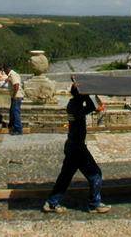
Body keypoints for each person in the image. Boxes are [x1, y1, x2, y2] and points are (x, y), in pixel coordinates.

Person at [43, 79, 111, 214]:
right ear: (81, 95)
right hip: (77, 148)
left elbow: (90, 108)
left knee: (65, 177)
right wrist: (87, 95)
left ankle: (51, 203)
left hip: (72, 145)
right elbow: (92, 107)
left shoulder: (72, 104)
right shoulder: (77, 107)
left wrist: (84, 94)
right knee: (96, 175)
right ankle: (94, 204)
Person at [2, 64, 24, 135]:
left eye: (4, 71)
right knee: (12, 111)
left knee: (15, 112)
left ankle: (18, 129)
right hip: (15, 96)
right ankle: (13, 126)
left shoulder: (12, 75)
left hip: (16, 96)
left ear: (7, 69)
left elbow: (16, 86)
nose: (4, 72)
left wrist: (14, 95)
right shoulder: (11, 75)